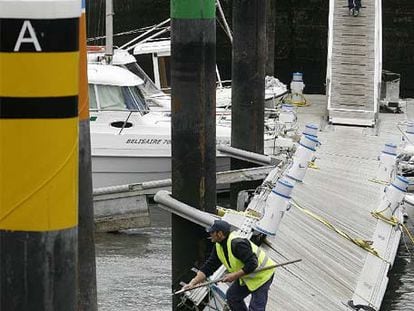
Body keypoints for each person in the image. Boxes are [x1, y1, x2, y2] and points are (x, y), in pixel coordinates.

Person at [183, 219, 276, 311]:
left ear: (219, 233)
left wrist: (234, 275)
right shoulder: (218, 246)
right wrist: (193, 283)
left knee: (256, 308)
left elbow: (253, 263)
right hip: (248, 276)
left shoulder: (238, 244)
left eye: (212, 232)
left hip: (263, 275)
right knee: (232, 297)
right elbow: (209, 267)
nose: (210, 234)